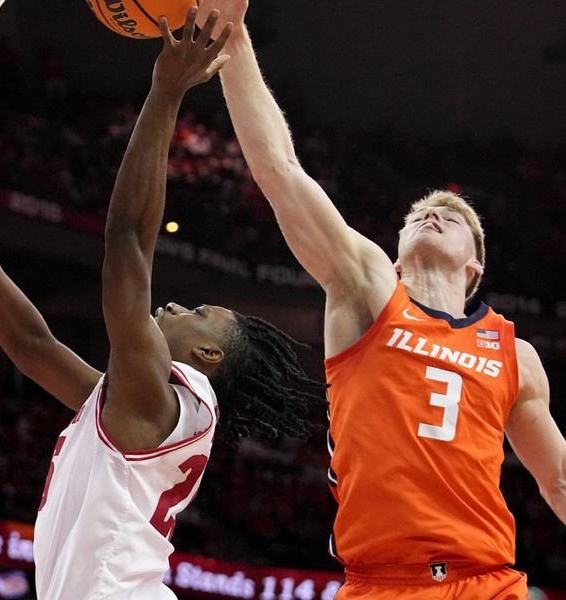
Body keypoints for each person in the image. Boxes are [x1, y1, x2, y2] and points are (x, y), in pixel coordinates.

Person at [0, 9, 322, 599]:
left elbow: (127, 236)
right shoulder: (144, 402)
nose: (174, 305)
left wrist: (166, 90)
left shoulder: (159, 399)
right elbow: (31, 346)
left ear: (207, 354)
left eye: (197, 314)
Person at [195, 1, 566, 598]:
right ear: (394, 255)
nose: (434, 212)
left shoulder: (515, 355)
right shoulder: (367, 288)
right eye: (419, 214)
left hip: (487, 582)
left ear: (476, 263)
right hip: (380, 584)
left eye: (454, 216)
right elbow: (280, 172)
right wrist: (235, 39)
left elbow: (559, 484)